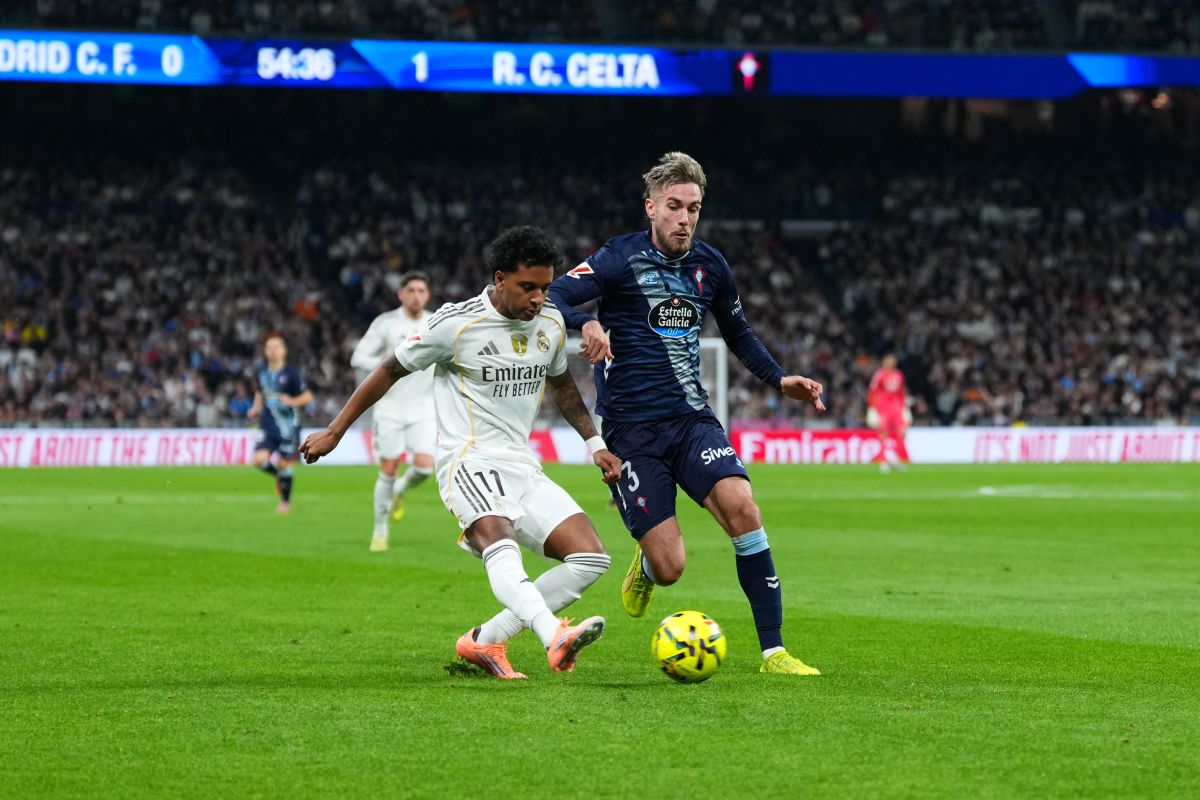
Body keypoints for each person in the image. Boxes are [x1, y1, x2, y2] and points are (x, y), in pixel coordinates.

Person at [548, 151, 826, 676]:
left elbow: (738, 332)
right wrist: (583, 322)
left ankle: (774, 652)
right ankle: (648, 566)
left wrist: (778, 378)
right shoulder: (617, 258)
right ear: (650, 207)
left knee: (743, 508)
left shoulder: (711, 266)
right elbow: (553, 295)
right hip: (631, 431)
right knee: (671, 566)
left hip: (692, 420)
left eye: (693, 208)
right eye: (673, 206)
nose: (684, 218)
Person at [301, 226, 621, 679]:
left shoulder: (549, 323)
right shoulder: (456, 323)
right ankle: (554, 635)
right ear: (499, 278)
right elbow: (389, 369)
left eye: (546, 288)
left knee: (591, 558)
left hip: (521, 464)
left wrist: (596, 444)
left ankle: (485, 639)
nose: (538, 298)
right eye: (528, 287)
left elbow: (563, 386)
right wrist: (336, 430)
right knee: (502, 545)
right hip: (467, 461)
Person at [350, 271, 437, 551]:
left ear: (428, 295)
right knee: (388, 468)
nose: (416, 296)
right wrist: (385, 363)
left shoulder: (436, 323)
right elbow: (357, 357)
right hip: (389, 408)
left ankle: (400, 490)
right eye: (410, 290)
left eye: (421, 291)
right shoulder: (386, 323)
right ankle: (380, 531)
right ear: (400, 294)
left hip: (425, 407)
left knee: (424, 468)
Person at [248, 333, 313, 514]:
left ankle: (285, 502)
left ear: (284, 351)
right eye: (269, 347)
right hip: (267, 424)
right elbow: (260, 392)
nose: (272, 351)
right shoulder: (261, 372)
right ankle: (278, 476)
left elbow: (307, 396)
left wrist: (292, 401)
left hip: (287, 427)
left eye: (276, 347)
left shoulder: (291, 374)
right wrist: (255, 408)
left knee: (285, 464)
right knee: (258, 460)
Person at [867, 354, 911, 473]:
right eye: (888, 361)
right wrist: (872, 408)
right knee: (883, 433)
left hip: (896, 406)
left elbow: (901, 392)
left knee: (902, 432)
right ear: (884, 362)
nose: (890, 363)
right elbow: (873, 391)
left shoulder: (899, 375)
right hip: (883, 406)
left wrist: (904, 407)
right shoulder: (879, 374)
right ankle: (883, 461)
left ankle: (897, 459)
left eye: (892, 361)